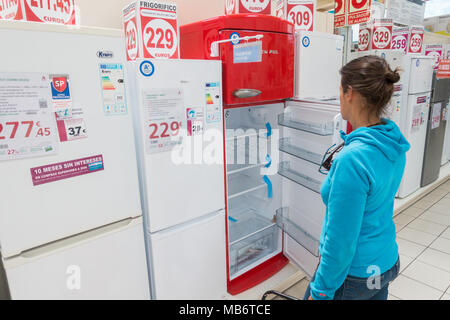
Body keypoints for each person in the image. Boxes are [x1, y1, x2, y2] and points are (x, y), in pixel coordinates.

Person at [303, 55, 411, 300]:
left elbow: (341, 241)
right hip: (384, 262)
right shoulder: (392, 141)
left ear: (349, 92)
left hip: (354, 275)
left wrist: (320, 291)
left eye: (340, 90)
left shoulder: (352, 159)